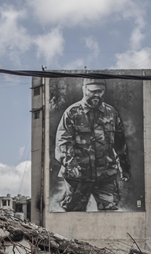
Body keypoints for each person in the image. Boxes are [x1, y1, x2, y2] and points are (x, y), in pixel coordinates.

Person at [55, 78, 130, 211]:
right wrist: (71, 165)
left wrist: (123, 165)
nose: (97, 95)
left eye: (100, 91)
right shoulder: (72, 113)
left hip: (105, 175)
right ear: (84, 90)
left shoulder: (111, 113)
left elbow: (120, 143)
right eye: (93, 91)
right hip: (78, 176)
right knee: (74, 212)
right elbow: (63, 142)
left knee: (110, 212)